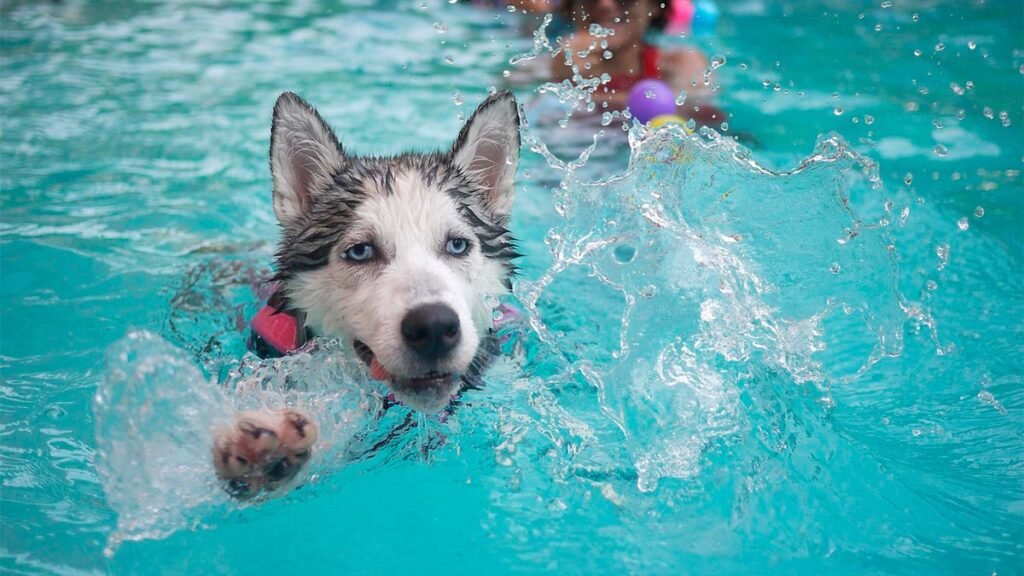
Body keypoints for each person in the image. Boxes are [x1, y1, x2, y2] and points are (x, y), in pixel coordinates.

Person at [550, 0, 725, 127]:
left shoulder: (680, 63)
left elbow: (705, 117)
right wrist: (560, 77)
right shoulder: (549, 65)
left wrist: (570, 95)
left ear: (654, 6)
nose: (605, 5)